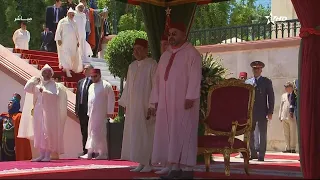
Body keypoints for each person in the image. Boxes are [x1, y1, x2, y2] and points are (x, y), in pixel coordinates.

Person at [149, 22, 202, 179]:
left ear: (184, 35)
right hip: (166, 104)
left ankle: (186, 169)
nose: (171, 37)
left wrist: (191, 96)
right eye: (170, 34)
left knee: (184, 133)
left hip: (184, 102)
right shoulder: (165, 55)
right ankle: (175, 167)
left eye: (175, 33)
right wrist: (155, 99)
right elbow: (157, 79)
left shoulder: (192, 53)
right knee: (171, 133)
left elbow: (195, 76)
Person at [119, 38, 157, 172]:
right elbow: (128, 86)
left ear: (146, 50)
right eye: (134, 49)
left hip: (146, 106)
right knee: (137, 134)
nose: (136, 52)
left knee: (147, 133)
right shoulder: (132, 66)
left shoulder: (152, 64)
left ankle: (149, 163)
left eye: (139, 49)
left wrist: (153, 104)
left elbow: (156, 86)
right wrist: (126, 103)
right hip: (134, 107)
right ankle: (141, 162)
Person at [22, 64, 68, 162]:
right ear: (41, 73)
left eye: (49, 72)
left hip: (50, 114)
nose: (47, 74)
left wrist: (44, 92)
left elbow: (55, 96)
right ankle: (41, 154)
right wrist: (33, 80)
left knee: (48, 133)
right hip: (38, 113)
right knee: (39, 132)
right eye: (45, 72)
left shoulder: (55, 85)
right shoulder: (38, 84)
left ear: (51, 74)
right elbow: (26, 88)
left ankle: (48, 155)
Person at [245, 61, 275, 161]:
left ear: (261, 70)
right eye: (254, 68)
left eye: (258, 69)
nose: (256, 70)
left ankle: (261, 154)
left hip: (262, 112)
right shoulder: (248, 82)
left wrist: (270, 111)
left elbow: (271, 97)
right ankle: (253, 153)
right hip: (250, 112)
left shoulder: (266, 81)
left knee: (262, 133)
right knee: (249, 133)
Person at [84, 69, 115, 160]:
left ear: (99, 75)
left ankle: (103, 153)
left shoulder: (106, 85)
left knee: (100, 132)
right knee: (91, 132)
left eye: (95, 76)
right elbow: (90, 100)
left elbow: (111, 99)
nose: (93, 78)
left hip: (101, 113)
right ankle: (90, 152)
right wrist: (89, 112)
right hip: (92, 113)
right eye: (92, 76)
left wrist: (110, 112)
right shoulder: (91, 86)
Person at [0, 94, 32, 161]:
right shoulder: (4, 116)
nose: (9, 104)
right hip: (5, 142)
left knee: (13, 159)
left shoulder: (19, 116)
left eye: (11, 102)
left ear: (15, 104)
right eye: (8, 102)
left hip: (14, 143)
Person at [55, 7, 81, 78]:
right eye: (71, 14)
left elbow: (77, 33)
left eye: (73, 15)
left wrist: (78, 41)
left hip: (73, 43)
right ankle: (67, 70)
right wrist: (59, 39)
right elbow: (58, 31)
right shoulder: (62, 21)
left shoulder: (74, 23)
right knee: (66, 55)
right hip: (65, 42)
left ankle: (67, 68)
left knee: (72, 56)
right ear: (68, 14)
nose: (72, 16)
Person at [75, 64, 93, 157]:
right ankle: (84, 150)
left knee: (90, 130)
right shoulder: (80, 82)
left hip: (89, 110)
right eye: (84, 68)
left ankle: (91, 150)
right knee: (83, 131)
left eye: (87, 69)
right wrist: (76, 109)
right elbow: (78, 96)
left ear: (91, 70)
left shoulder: (93, 82)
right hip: (81, 109)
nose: (84, 70)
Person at [279, 81, 297, 153]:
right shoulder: (283, 95)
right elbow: (281, 106)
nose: (286, 88)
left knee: (292, 133)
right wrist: (280, 115)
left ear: (291, 87)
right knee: (286, 133)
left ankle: (293, 148)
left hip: (291, 117)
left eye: (287, 87)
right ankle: (288, 148)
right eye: (285, 87)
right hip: (284, 116)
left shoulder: (295, 95)